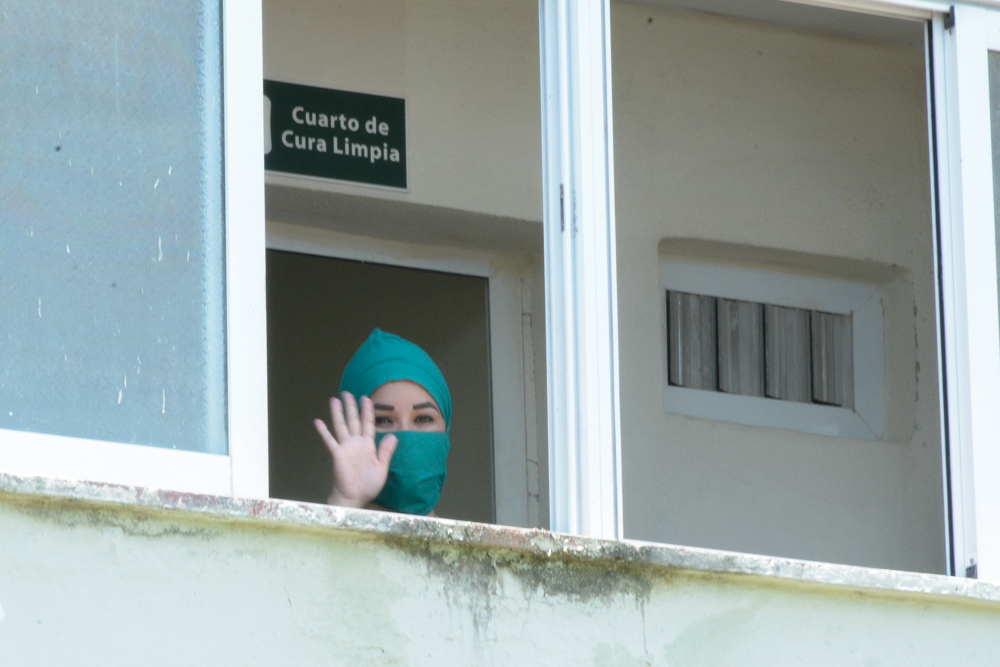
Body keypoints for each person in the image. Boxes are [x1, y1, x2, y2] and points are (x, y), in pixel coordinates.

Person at [313, 328, 451, 516]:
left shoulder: (475, 544)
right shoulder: (322, 542)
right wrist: (345, 505)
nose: (403, 436)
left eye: (423, 418)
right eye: (383, 420)